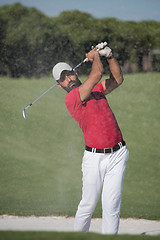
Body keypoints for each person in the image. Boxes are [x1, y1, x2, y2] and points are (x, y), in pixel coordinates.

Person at [52, 42, 129, 234]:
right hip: (94, 159)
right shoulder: (72, 99)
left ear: (75, 72)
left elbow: (117, 79)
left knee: (112, 207)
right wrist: (95, 56)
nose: (68, 78)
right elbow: (96, 75)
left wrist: (109, 55)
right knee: (88, 205)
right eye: (63, 78)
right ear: (59, 85)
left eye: (69, 73)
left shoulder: (96, 90)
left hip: (118, 154)